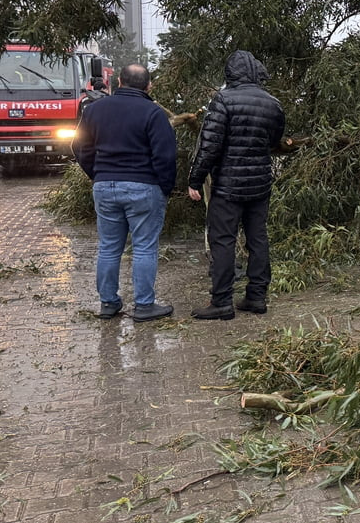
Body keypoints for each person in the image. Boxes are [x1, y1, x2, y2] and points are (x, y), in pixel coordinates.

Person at [72, 63, 177, 322]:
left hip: (105, 187)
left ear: (118, 82)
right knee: (143, 247)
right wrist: (165, 188)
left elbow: (79, 147)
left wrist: (97, 175)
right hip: (144, 187)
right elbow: (165, 156)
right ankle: (144, 306)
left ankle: (108, 303)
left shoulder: (94, 110)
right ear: (149, 86)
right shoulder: (153, 113)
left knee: (108, 247)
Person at [187, 51, 285, 321]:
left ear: (230, 73)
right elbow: (275, 141)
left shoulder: (223, 100)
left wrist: (195, 179)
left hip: (227, 187)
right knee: (258, 239)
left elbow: (209, 146)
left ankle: (221, 301)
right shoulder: (272, 103)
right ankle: (256, 297)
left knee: (223, 241)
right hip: (260, 184)